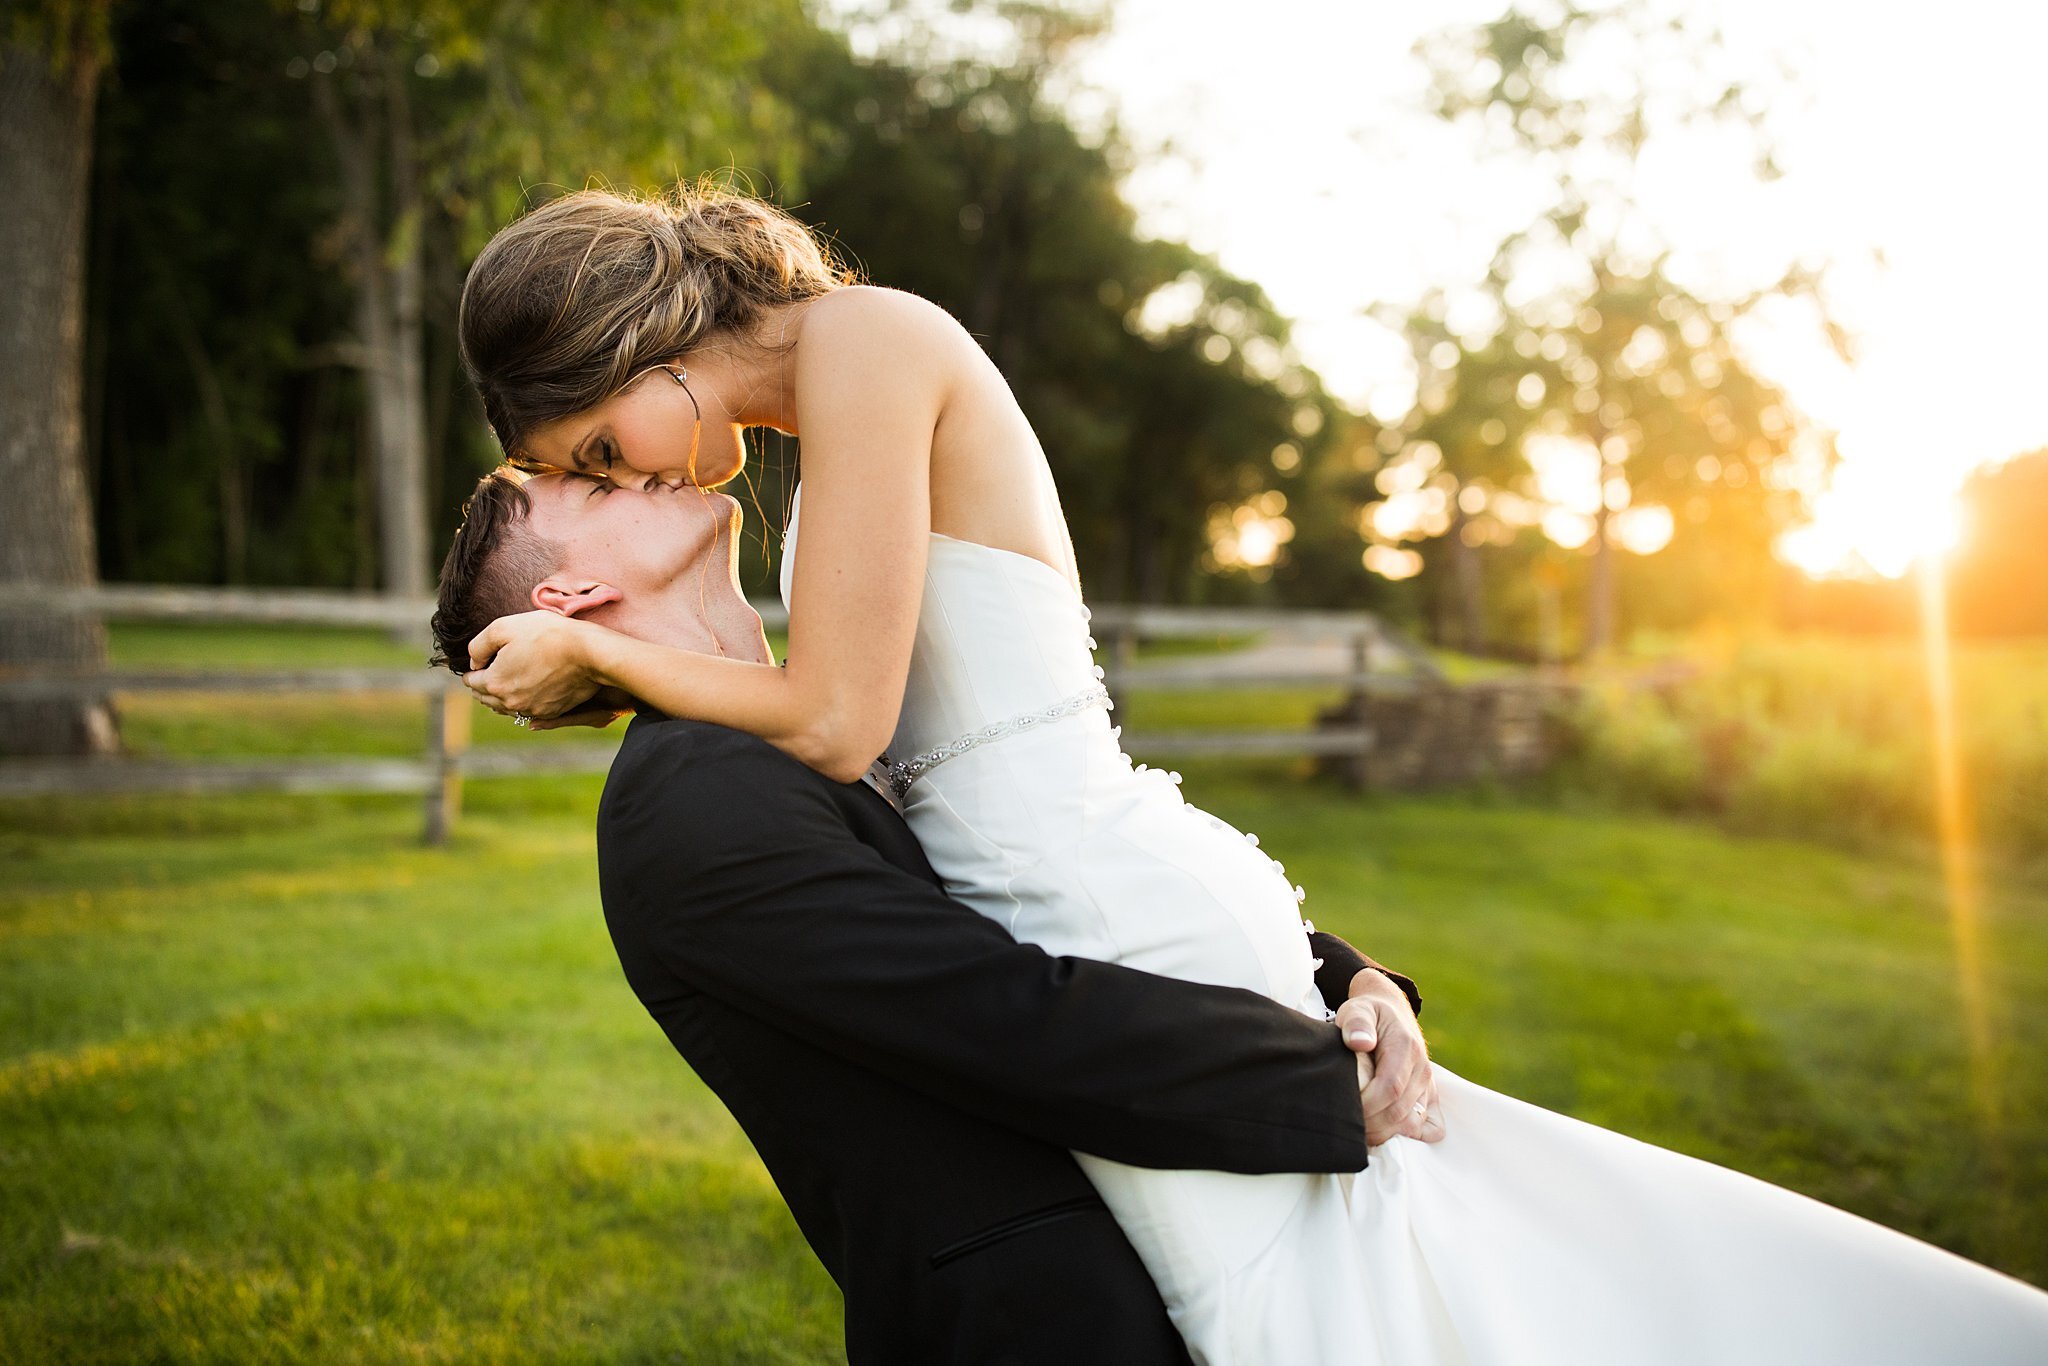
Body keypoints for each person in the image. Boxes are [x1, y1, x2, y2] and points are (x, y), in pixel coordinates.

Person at [451, 181, 2048, 1363]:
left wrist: (601, 656)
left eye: (599, 445)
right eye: (596, 478)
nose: (636, 472)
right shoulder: (824, 428)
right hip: (1087, 890)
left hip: (1093, 884)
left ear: (641, 339)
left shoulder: (865, 341)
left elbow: (843, 720)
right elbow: (869, 754)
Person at [429, 468, 1435, 1364]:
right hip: (1045, 1316)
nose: (650, 468)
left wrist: (1340, 978)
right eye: (603, 488)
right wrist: (1311, 1081)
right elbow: (995, 1010)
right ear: (567, 598)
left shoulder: (820, 721)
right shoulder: (687, 796)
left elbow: (1045, 880)